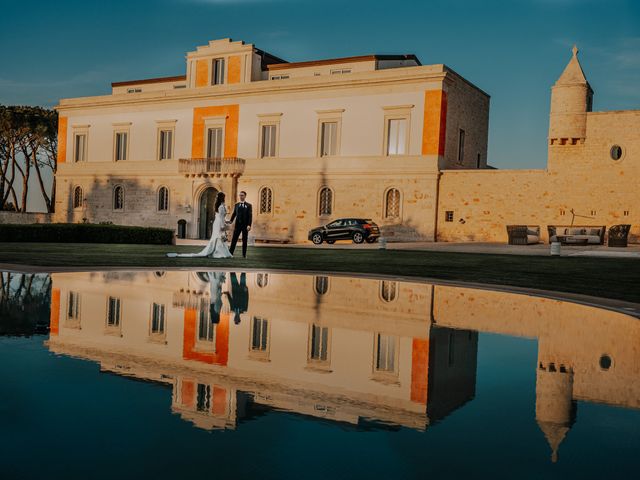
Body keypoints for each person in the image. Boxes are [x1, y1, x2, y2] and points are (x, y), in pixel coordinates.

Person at [166, 192, 232, 258]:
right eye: (224, 197)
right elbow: (220, 217)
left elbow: (221, 217)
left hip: (218, 222)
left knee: (220, 237)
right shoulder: (220, 207)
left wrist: (227, 221)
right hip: (219, 223)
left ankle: (221, 252)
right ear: (222, 198)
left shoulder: (221, 206)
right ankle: (218, 253)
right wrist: (223, 226)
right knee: (219, 237)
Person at [228, 191, 252, 258]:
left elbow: (250, 216)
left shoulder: (249, 205)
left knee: (245, 240)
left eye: (242, 195)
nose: (241, 197)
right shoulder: (237, 205)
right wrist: (230, 221)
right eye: (240, 195)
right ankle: (230, 253)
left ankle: (244, 255)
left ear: (245, 196)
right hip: (237, 225)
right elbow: (234, 214)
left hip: (245, 225)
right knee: (234, 239)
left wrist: (249, 225)